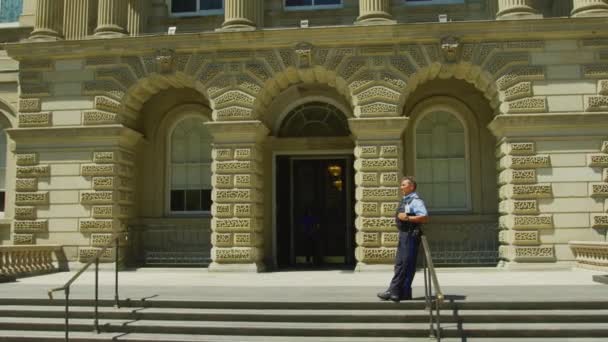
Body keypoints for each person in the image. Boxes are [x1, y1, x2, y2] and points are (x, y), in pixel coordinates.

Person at [377, 176, 429, 302]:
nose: (401, 187)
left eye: (404, 185)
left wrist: (406, 218)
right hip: (404, 234)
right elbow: (411, 214)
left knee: (405, 264)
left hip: (411, 235)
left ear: (411, 186)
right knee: (401, 264)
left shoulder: (416, 201)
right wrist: (407, 216)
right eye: (401, 185)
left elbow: (424, 216)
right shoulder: (406, 200)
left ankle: (393, 290)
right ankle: (403, 292)